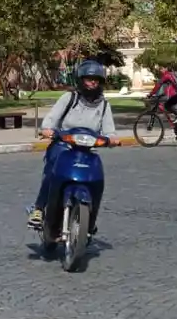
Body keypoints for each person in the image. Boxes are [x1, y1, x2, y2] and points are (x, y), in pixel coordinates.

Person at [28, 59, 116, 232]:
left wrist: (112, 139)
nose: (93, 82)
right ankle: (38, 209)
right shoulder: (69, 98)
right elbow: (51, 120)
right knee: (52, 168)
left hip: (88, 149)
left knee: (97, 176)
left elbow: (109, 131)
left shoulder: (104, 105)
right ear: (81, 79)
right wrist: (47, 129)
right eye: (89, 78)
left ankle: (90, 218)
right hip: (64, 145)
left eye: (96, 79)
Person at [149, 66, 177, 139]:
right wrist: (163, 94)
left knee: (167, 105)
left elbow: (158, 84)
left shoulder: (167, 75)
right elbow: (169, 88)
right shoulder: (174, 74)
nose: (160, 70)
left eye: (161, 68)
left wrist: (151, 94)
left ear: (166, 68)